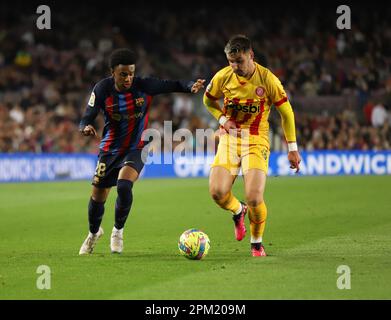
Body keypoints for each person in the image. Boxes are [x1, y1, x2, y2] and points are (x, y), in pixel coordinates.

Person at [78, 48, 205, 255]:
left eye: (131, 73)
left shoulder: (143, 85)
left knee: (124, 186)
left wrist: (191, 86)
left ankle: (117, 232)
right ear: (113, 73)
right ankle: (93, 233)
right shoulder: (102, 89)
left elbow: (172, 85)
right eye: (123, 74)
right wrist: (84, 127)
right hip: (110, 149)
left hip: (137, 147)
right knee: (97, 197)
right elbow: (87, 115)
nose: (128, 78)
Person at [203, 35, 301, 257]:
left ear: (251, 55)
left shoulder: (268, 80)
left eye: (239, 61)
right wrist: (222, 120)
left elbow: (286, 112)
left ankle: (256, 242)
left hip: (256, 140)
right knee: (217, 192)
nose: (235, 66)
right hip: (230, 138)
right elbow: (208, 100)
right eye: (231, 61)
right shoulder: (222, 77)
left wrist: (292, 147)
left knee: (255, 197)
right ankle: (238, 211)